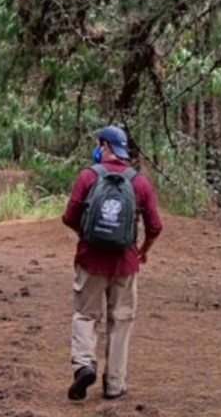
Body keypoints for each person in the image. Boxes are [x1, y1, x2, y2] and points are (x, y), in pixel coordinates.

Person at [60, 125, 163, 401]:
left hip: (90, 260)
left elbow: (69, 216)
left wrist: (87, 236)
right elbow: (155, 225)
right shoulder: (139, 182)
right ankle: (115, 384)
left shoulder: (87, 176)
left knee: (85, 315)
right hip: (125, 263)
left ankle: (84, 365)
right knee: (121, 320)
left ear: (103, 145)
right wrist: (143, 249)